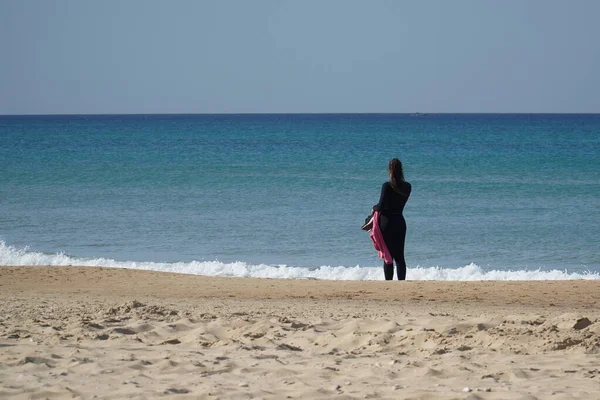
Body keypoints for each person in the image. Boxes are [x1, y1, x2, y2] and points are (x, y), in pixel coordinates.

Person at [372, 158, 411, 280]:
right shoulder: (407, 186)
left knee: (388, 256)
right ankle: (401, 283)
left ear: (389, 170)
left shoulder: (387, 186)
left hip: (386, 222)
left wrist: (374, 207)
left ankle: (389, 283)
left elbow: (381, 205)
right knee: (400, 256)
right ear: (401, 170)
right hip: (399, 221)